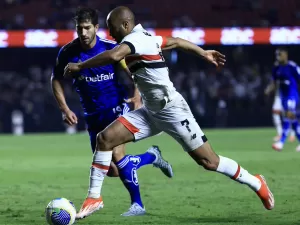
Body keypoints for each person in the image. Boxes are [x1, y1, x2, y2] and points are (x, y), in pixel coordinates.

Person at [64, 6, 275, 220]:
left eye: (112, 28)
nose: (110, 34)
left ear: (126, 25)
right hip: (151, 112)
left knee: (209, 162)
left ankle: (256, 182)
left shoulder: (136, 40)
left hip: (172, 111)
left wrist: (81, 66)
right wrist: (202, 52)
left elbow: (115, 55)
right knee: (105, 139)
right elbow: (175, 42)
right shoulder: (146, 38)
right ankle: (94, 197)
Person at [51, 7, 173, 216]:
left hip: (116, 109)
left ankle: (138, 205)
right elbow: (56, 79)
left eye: (87, 28)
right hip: (92, 116)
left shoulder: (111, 48)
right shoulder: (68, 52)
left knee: (117, 154)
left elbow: (134, 71)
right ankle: (151, 156)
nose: (83, 33)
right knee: (112, 170)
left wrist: (136, 95)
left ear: (97, 28)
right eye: (79, 28)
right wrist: (64, 108)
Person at [265, 47, 300, 151]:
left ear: (285, 55)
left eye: (280, 54)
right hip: (283, 96)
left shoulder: (292, 66)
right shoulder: (276, 67)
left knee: (288, 116)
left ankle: (281, 142)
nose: (278, 57)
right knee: (292, 120)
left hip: (292, 95)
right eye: (277, 55)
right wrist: (268, 90)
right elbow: (274, 82)